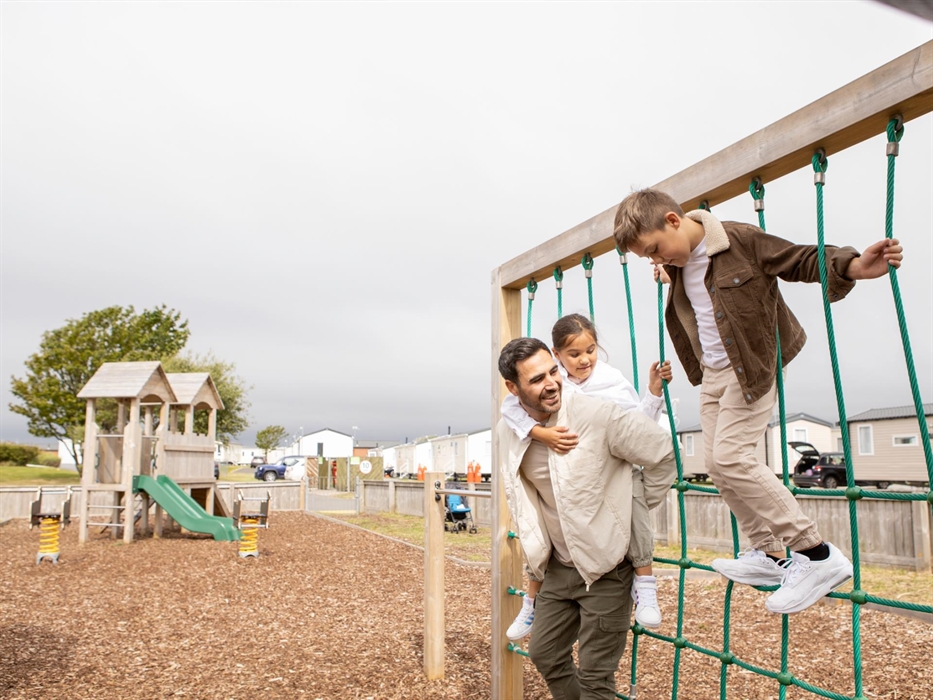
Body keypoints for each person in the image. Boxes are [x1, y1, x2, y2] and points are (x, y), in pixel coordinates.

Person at [614, 188, 903, 615]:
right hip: (711, 374)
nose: (657, 260)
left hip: (750, 366)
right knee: (715, 463)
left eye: (655, 250)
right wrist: (667, 270)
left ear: (674, 220)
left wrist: (854, 265)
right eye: (648, 258)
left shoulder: (738, 240)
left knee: (732, 456)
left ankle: (817, 554)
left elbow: (797, 258)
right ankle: (767, 553)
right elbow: (689, 283)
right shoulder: (676, 265)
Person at [497, 337, 676, 699]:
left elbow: (664, 453)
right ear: (512, 388)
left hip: (606, 567)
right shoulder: (510, 431)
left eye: (553, 372)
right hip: (559, 567)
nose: (550, 383)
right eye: (536, 379)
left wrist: (629, 507)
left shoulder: (598, 415)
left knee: (596, 678)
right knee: (544, 653)